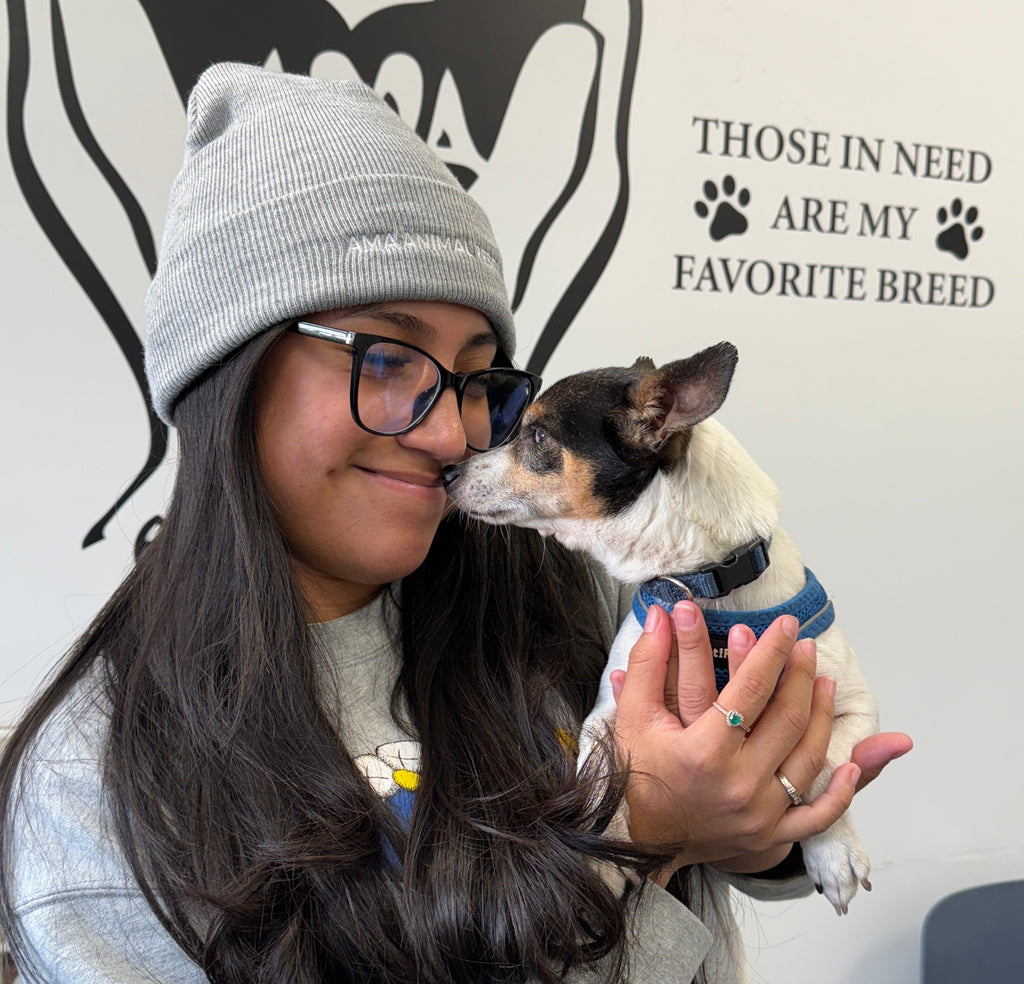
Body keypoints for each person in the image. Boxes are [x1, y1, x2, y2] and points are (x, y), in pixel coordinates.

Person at [0, 63, 910, 984]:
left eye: (476, 377)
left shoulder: (562, 586)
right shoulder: (93, 792)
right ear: (224, 378)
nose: (448, 434)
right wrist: (642, 833)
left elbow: (732, 846)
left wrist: (762, 833)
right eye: (388, 359)